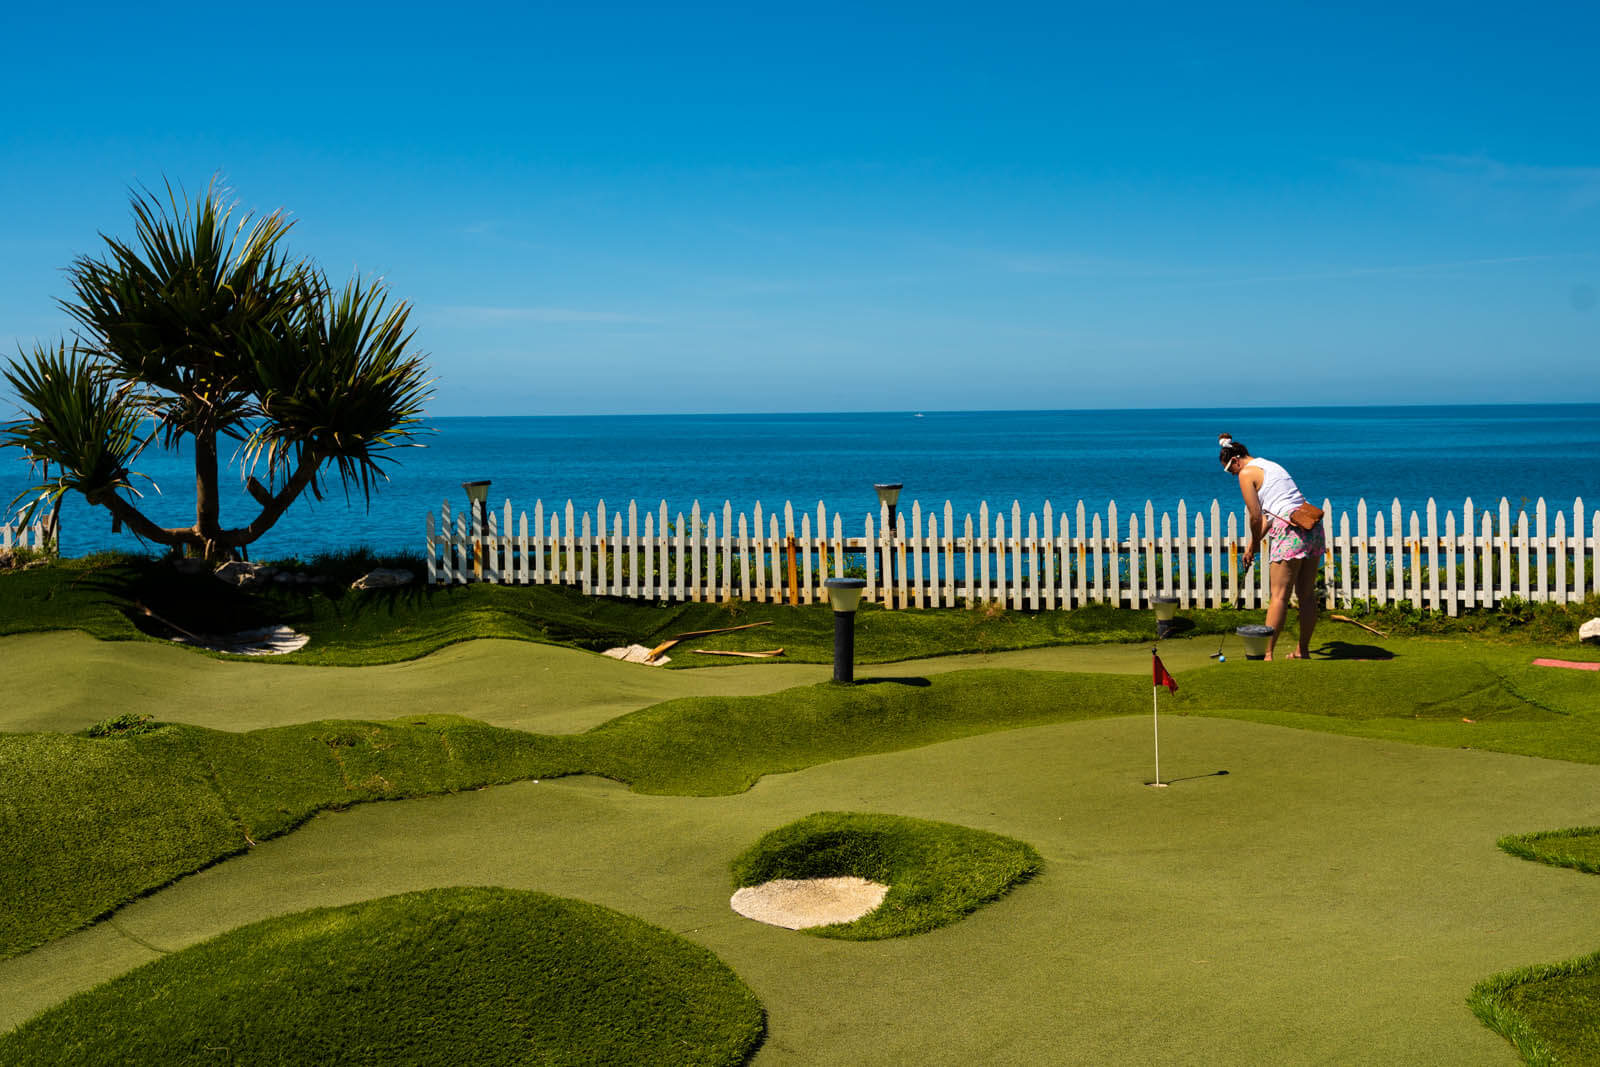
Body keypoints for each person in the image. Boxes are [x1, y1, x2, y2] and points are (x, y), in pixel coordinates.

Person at [1219, 434, 1324, 660]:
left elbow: (1256, 517)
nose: (1232, 475)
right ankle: (1302, 650)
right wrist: (1251, 547)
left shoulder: (1246, 473)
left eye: (1230, 470)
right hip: (1311, 526)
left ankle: (1266, 654)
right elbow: (1271, 514)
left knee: (1279, 596)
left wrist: (1255, 543)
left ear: (1236, 461)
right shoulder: (1270, 465)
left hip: (1289, 531)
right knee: (1306, 595)